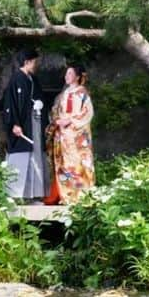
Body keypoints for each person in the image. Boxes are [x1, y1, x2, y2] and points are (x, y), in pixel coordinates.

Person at [1, 48, 46, 202]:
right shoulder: (16, 79)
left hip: (34, 123)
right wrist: (14, 123)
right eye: (35, 62)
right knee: (20, 158)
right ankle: (14, 195)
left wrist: (40, 105)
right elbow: (9, 103)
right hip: (22, 126)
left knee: (36, 157)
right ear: (27, 62)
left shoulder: (33, 79)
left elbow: (39, 98)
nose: (36, 65)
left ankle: (33, 195)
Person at [46, 64, 95, 204]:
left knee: (79, 163)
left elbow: (87, 112)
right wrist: (57, 121)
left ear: (78, 77)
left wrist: (71, 120)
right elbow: (55, 111)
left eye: (70, 74)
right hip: (63, 134)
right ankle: (66, 195)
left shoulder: (82, 93)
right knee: (64, 164)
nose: (66, 76)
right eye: (66, 74)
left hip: (77, 135)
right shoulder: (64, 94)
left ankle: (81, 195)